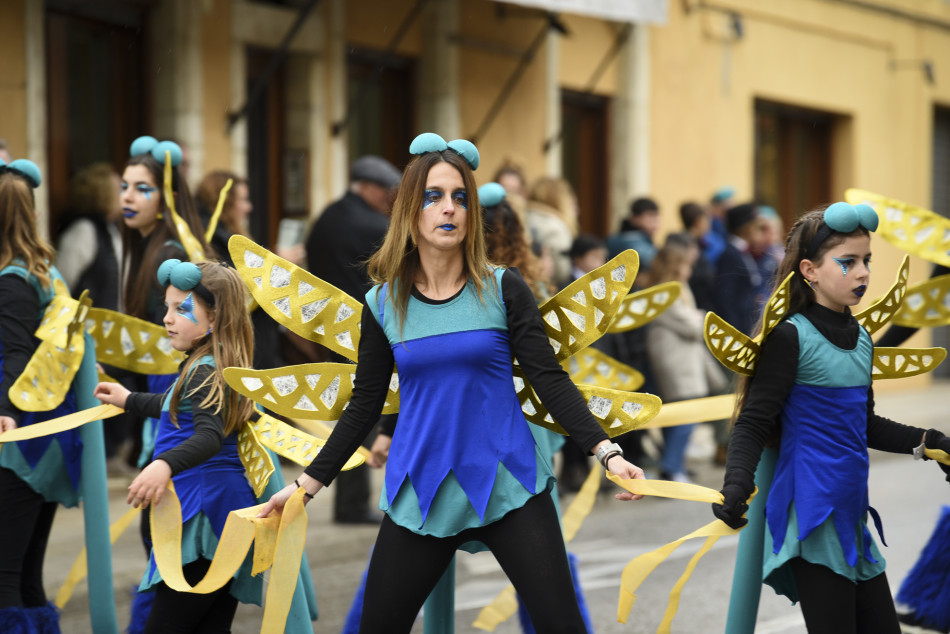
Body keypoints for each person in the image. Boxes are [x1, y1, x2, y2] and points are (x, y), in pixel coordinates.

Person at [258, 133, 645, 633]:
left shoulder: (505, 288)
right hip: (422, 488)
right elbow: (364, 405)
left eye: (460, 197)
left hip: (510, 484)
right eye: (434, 197)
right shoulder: (381, 304)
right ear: (409, 211)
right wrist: (304, 487)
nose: (450, 209)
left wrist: (608, 452)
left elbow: (548, 379)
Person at [711, 202, 950, 634]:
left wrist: (932, 441)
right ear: (809, 270)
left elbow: (866, 424)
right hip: (811, 517)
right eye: (848, 262)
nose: (863, 273)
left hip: (851, 516)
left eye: (867, 261)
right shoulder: (791, 336)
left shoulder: (859, 337)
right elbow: (753, 421)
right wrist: (736, 483)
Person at [94, 259, 261, 633]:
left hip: (205, 514)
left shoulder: (203, 369)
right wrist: (128, 399)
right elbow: (173, 407)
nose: (167, 318)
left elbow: (207, 435)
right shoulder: (210, 364)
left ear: (215, 319)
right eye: (167, 307)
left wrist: (163, 464)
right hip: (222, 511)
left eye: (181, 309)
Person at [0, 159, 112, 630]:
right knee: (23, 575)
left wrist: (5, 410)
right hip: (40, 441)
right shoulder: (40, 274)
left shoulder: (13, 283)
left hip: (20, 445)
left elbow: (16, 358)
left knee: (6, 576)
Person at [304, 154, 401, 525]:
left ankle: (351, 499)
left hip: (333, 330)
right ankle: (354, 503)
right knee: (366, 413)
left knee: (352, 410)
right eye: (385, 192)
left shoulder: (327, 217)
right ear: (369, 188)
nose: (388, 200)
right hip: (367, 331)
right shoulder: (373, 225)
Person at [646, 235, 727, 483]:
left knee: (680, 414)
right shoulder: (665, 290)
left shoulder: (677, 285)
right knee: (686, 414)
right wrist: (700, 317)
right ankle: (673, 468)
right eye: (685, 262)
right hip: (676, 361)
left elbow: (693, 319)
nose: (690, 267)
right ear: (675, 263)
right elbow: (691, 325)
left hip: (683, 358)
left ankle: (672, 465)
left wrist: (697, 317)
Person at [525, 176, 578, 288]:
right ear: (560, 198)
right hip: (549, 290)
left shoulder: (524, 217)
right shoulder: (555, 228)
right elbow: (561, 272)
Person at [606, 197, 661, 277]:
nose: (656, 221)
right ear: (634, 218)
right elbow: (655, 264)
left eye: (657, 216)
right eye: (650, 216)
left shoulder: (617, 237)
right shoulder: (630, 241)